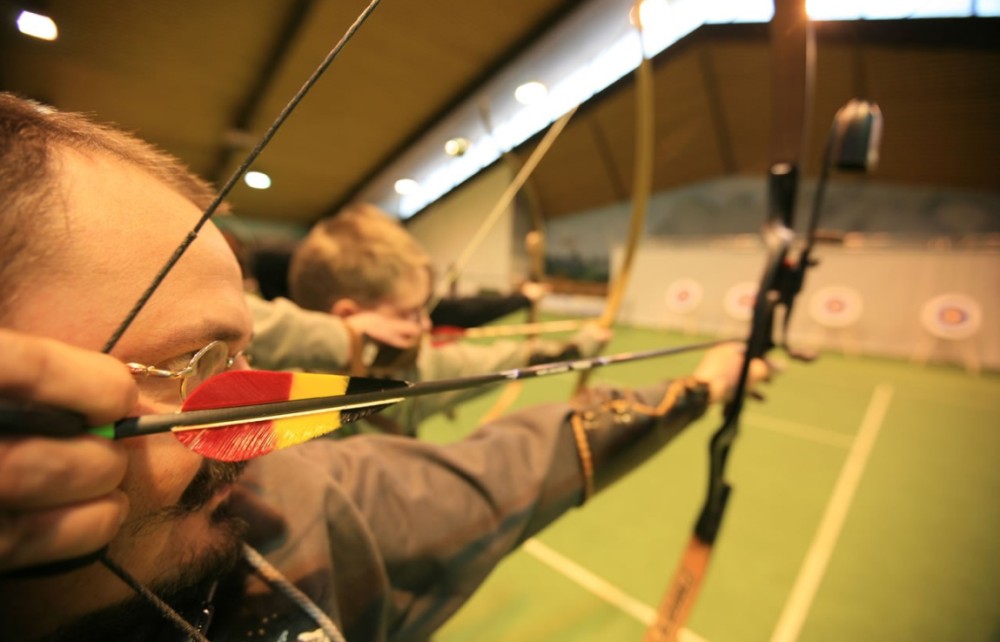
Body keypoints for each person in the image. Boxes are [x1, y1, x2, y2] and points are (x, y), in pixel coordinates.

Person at [0, 92, 770, 642]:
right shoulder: (320, 375)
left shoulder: (286, 517)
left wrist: (692, 381)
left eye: (239, 358)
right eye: (191, 362)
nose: (262, 418)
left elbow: (481, 448)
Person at [249, 204, 609, 436]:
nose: (424, 325)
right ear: (346, 315)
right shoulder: (264, 376)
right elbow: (227, 316)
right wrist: (342, 341)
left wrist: (583, 345)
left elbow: (510, 359)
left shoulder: (416, 368)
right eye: (408, 313)